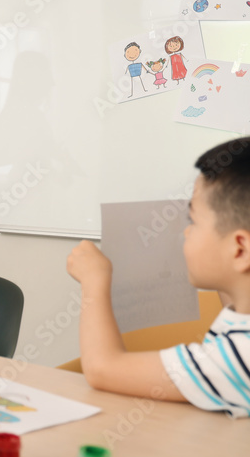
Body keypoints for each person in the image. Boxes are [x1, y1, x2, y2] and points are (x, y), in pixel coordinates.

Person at [67, 137, 250, 417]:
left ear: (239, 249)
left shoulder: (238, 357)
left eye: (193, 222)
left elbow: (103, 368)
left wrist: (94, 280)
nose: (185, 233)